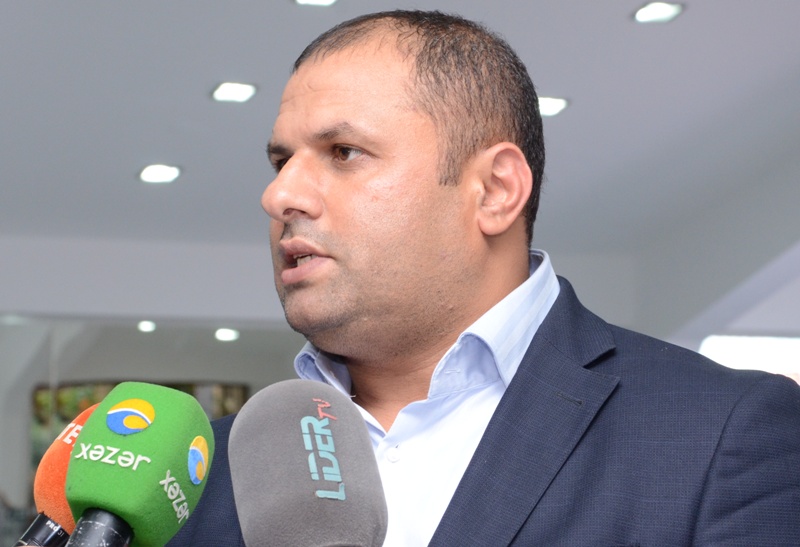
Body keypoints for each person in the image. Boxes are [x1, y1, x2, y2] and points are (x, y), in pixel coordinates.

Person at [169, 10, 800, 546]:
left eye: (344, 153)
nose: (280, 195)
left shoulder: (720, 433)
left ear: (496, 191)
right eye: (281, 161)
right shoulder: (194, 474)